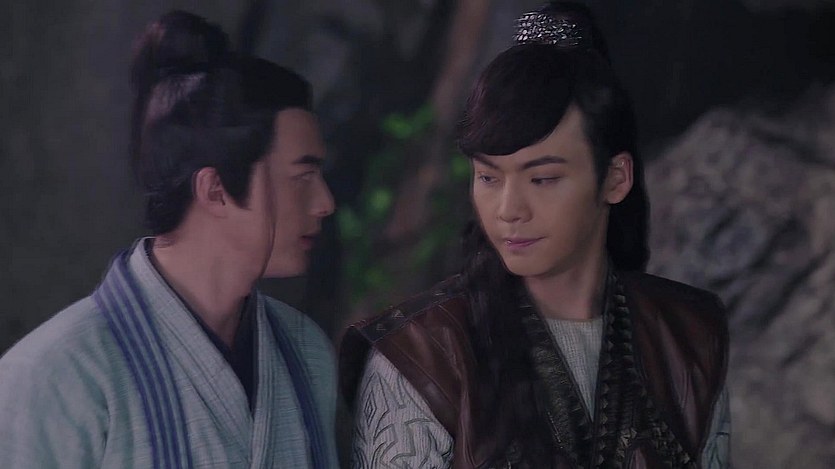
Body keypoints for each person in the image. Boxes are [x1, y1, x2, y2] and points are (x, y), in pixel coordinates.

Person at [340, 2, 730, 468]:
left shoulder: (690, 336)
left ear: (615, 178)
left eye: (542, 178)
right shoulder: (419, 355)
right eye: (489, 177)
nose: (509, 210)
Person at [0, 10, 338, 468]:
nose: (325, 203)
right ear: (215, 189)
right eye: (302, 178)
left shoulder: (304, 351)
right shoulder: (54, 373)